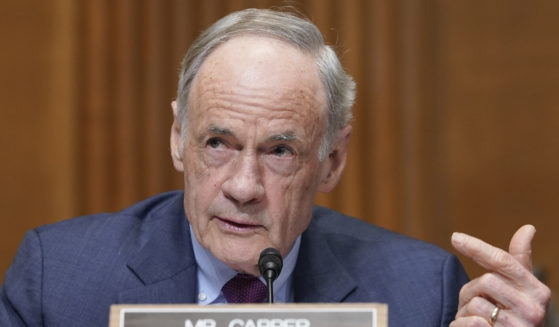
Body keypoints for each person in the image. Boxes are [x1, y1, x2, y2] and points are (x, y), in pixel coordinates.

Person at [0, 8, 550, 327]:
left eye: (279, 151)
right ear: (177, 139)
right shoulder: (58, 283)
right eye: (218, 142)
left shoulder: (420, 295)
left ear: (331, 160)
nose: (243, 187)